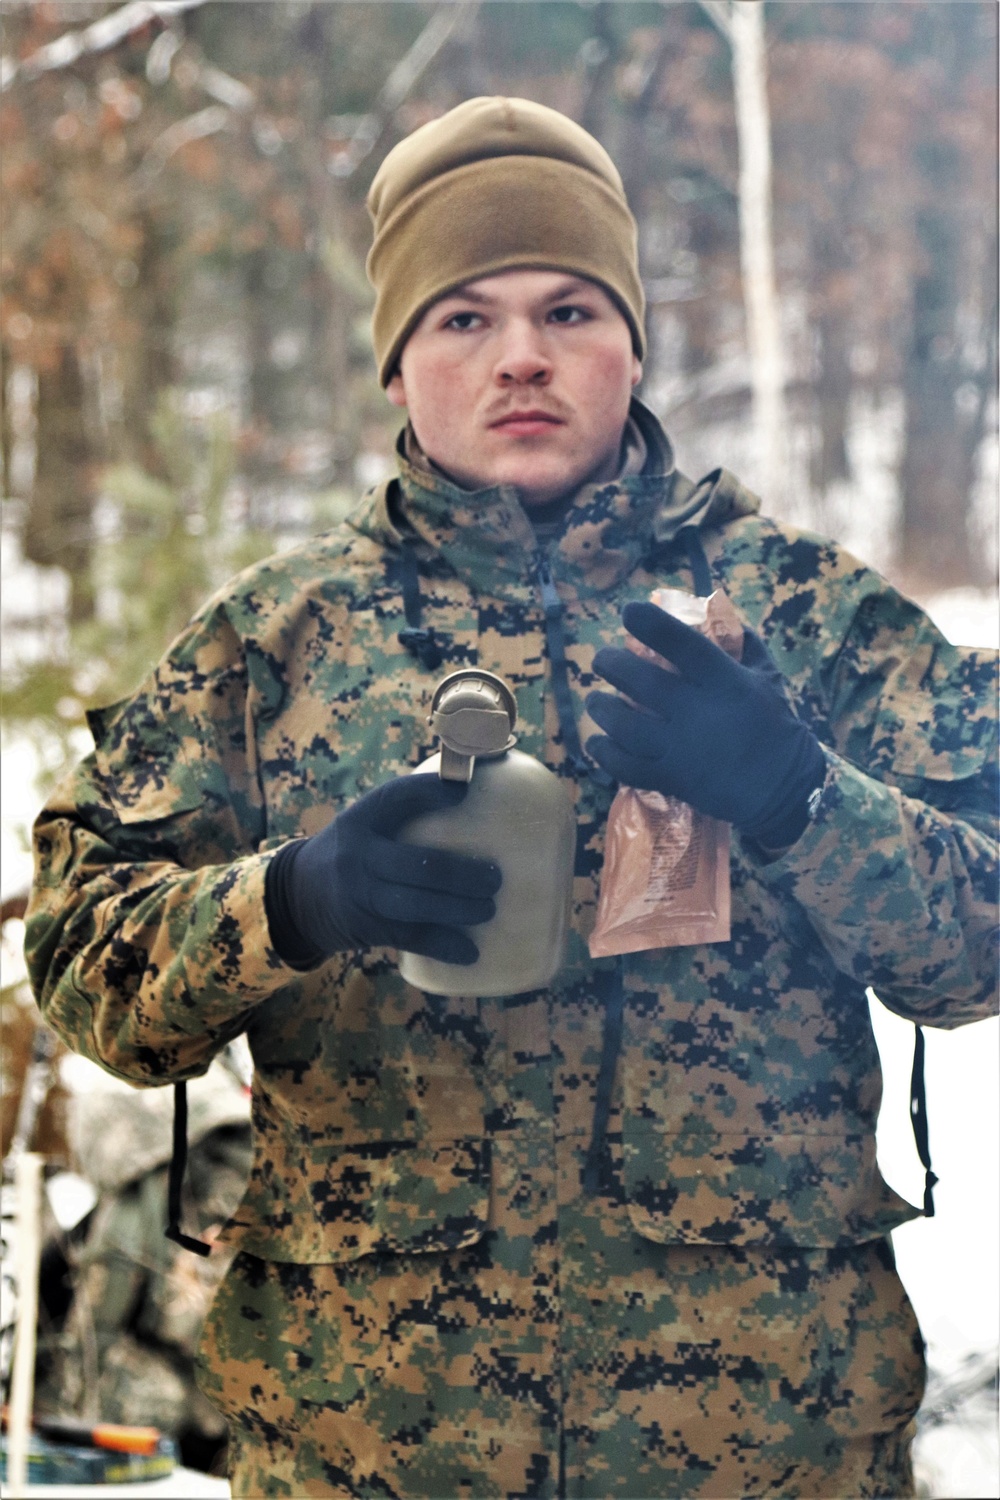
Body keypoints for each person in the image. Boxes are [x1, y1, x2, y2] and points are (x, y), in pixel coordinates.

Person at [25, 96, 997, 1499]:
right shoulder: (276, 644)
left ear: (633, 343)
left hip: (765, 1443)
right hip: (371, 1446)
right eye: (464, 318)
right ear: (398, 360)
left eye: (571, 311)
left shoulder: (804, 618)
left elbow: (982, 941)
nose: (523, 358)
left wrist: (799, 796)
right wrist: (290, 899)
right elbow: (77, 958)